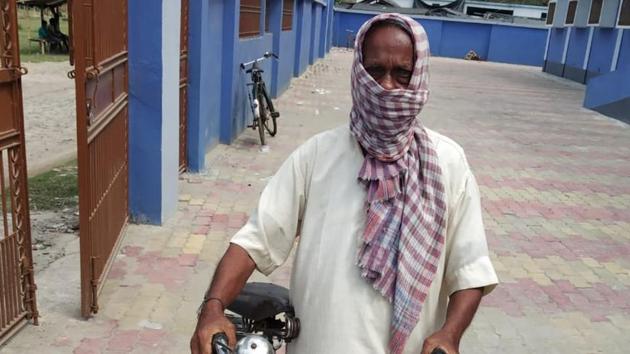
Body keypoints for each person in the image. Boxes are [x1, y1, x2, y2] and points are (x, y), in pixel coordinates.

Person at [190, 13, 498, 354]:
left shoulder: (448, 164)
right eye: (376, 71)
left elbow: (469, 271)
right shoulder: (317, 156)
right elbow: (255, 240)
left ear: (419, 78)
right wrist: (213, 307)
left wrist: (450, 335)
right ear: (358, 73)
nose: (388, 87)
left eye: (402, 74)